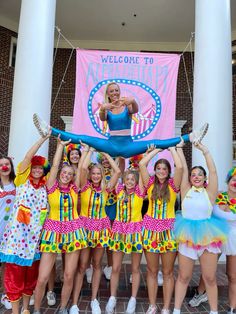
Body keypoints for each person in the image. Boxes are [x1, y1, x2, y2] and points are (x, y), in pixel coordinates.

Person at [33, 82, 208, 158]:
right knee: (83, 138)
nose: (115, 93)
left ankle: (191, 137)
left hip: (128, 145)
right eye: (112, 91)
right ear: (108, 94)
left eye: (117, 90)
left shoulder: (126, 104)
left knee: (158, 142)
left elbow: (135, 110)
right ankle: (49, 131)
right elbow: (102, 118)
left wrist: (133, 101)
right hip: (111, 144)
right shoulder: (106, 107)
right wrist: (103, 109)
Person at [33, 136, 87, 314]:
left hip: (74, 230)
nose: (66, 175)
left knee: (69, 275)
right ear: (59, 175)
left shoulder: (74, 188)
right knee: (42, 277)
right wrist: (60, 147)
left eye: (70, 174)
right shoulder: (51, 186)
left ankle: (64, 307)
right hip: (52, 230)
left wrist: (87, 150)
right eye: (64, 173)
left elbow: (82, 169)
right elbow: (55, 166)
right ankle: (37, 309)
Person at [173, 142, 228, 314]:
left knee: (210, 278)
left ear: (204, 179)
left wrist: (205, 150)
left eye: (199, 175)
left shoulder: (210, 192)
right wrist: (180, 149)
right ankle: (175, 310)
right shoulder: (185, 190)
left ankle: (213, 311)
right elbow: (181, 168)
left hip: (207, 236)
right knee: (183, 276)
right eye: (193, 175)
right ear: (189, 178)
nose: (196, 177)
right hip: (188, 236)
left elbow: (213, 171)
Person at [0, 135, 51, 314]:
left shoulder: (46, 188)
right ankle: (15, 311)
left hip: (34, 242)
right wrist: (42, 140)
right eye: (34, 167)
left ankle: (25, 309)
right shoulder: (21, 181)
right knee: (14, 277)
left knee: (30, 278)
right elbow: (29, 156)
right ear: (29, 169)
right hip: (16, 240)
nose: (37, 170)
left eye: (40, 168)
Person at [69, 146, 121, 314]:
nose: (96, 176)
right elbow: (83, 167)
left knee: (97, 264)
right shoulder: (84, 187)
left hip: (101, 229)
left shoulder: (106, 189)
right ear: (90, 175)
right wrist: (90, 151)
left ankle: (94, 300)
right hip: (85, 228)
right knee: (83, 265)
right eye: (94, 173)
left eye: (99, 173)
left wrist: (105, 153)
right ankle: (75, 303)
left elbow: (118, 171)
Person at [139, 146, 183, 314]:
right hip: (150, 230)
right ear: (155, 170)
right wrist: (156, 150)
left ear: (168, 171)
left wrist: (172, 149)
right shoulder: (149, 183)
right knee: (151, 270)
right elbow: (142, 164)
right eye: (158, 168)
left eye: (165, 169)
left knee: (168, 272)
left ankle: (165, 307)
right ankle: (152, 305)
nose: (161, 171)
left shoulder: (173, 185)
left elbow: (180, 167)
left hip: (169, 231)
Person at [191, 167, 236, 314]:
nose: (235, 183)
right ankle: (200, 293)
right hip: (215, 236)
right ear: (228, 181)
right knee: (208, 270)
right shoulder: (218, 195)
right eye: (233, 179)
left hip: (233, 239)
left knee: (232, 275)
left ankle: (232, 307)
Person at [105, 169, 145, 314]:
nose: (129, 181)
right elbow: (117, 169)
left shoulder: (140, 192)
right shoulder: (120, 190)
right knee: (115, 267)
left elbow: (142, 166)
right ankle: (112, 297)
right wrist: (117, 150)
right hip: (119, 231)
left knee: (135, 268)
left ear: (136, 181)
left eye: (132, 179)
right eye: (127, 179)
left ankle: (133, 299)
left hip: (135, 232)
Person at [0, 156, 16, 310]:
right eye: (1, 165)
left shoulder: (16, 184)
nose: (4, 167)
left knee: (6, 265)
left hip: (9, 233)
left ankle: (5, 293)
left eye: (7, 164)